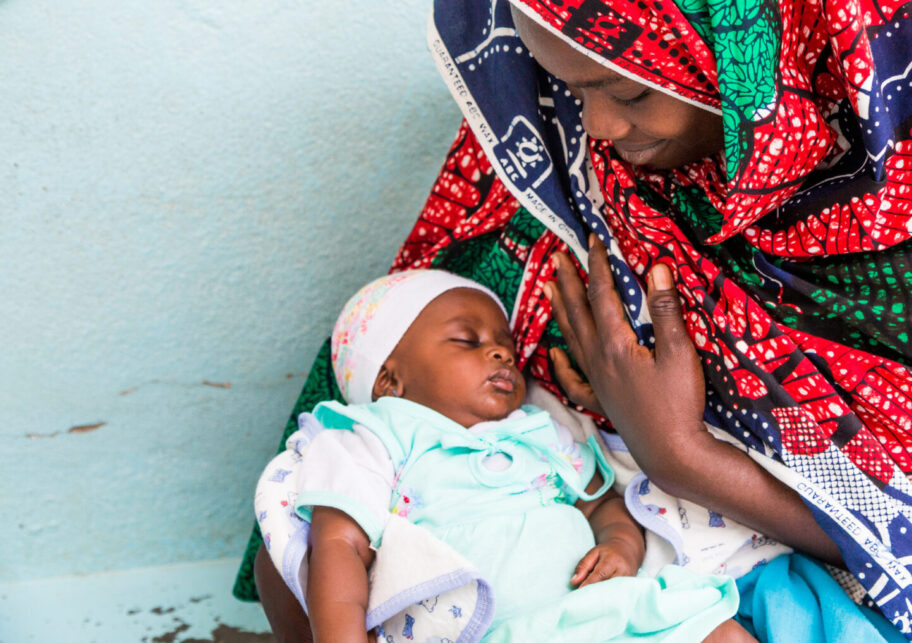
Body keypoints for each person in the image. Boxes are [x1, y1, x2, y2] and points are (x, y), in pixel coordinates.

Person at [238, 0, 912, 641]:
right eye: (568, 88)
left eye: (623, 94)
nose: (599, 128)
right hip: (573, 549)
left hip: (739, 555)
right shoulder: (569, 165)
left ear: (741, 52)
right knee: (298, 533)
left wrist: (686, 456)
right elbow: (390, 391)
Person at [256, 269, 756, 642]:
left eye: (506, 348)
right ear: (389, 380)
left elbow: (598, 504)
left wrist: (620, 545)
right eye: (467, 341)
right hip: (489, 629)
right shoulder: (374, 434)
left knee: (720, 633)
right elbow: (339, 545)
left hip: (597, 613)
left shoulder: (539, 429)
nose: (499, 354)